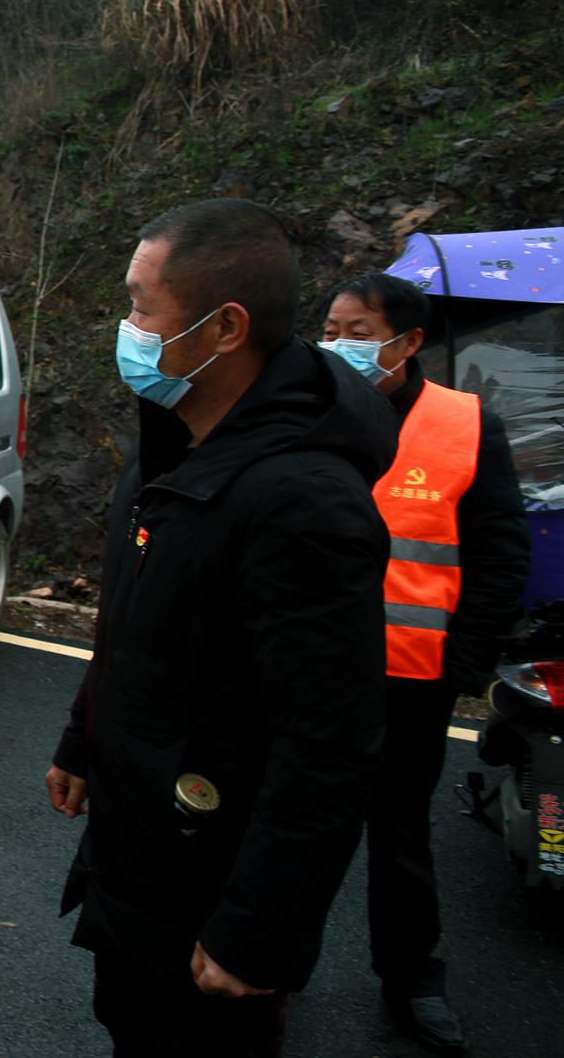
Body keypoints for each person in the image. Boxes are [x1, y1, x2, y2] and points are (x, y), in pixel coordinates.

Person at [44, 198, 400, 1057]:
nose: (124, 325)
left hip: (209, 884)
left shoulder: (303, 499)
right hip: (138, 856)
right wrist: (81, 740)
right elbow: (131, 625)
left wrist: (256, 929)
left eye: (138, 303)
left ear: (224, 327)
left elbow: (329, 742)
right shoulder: (171, 446)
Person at [319, 272, 529, 1054]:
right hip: (308, 670)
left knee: (399, 835)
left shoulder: (467, 426)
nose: (338, 344)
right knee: (293, 820)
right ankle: (272, 958)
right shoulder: (305, 409)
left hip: (411, 677)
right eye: (331, 329)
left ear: (407, 342)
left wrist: (463, 666)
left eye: (357, 329)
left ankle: (412, 976)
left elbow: (499, 556)